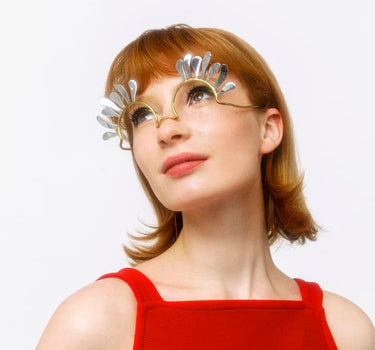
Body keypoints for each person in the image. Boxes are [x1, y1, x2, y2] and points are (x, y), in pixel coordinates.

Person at [36, 24, 375, 349]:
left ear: (268, 129)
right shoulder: (97, 321)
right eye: (140, 115)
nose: (166, 130)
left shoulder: (344, 330)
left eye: (198, 95)